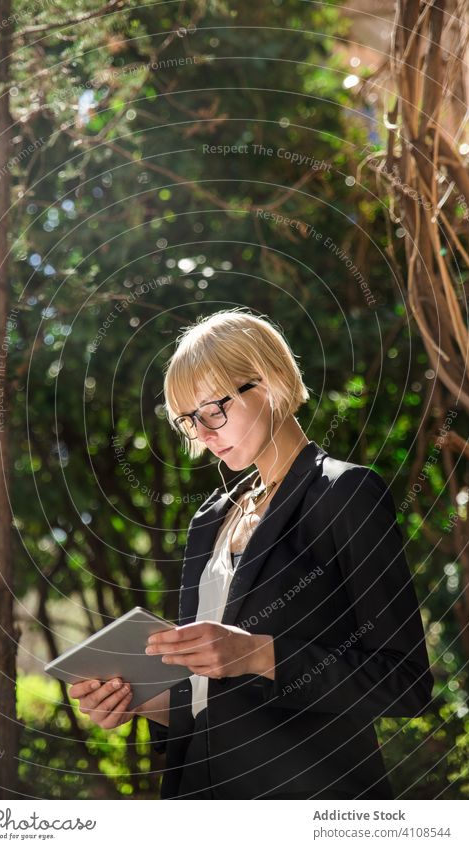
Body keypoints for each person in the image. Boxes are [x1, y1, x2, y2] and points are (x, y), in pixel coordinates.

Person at [70, 307, 434, 799]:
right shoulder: (211, 520)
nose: (202, 434)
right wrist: (135, 702)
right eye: (188, 422)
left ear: (265, 383)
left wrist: (258, 653)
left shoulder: (344, 494)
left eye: (212, 411)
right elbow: (207, 699)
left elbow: (405, 680)